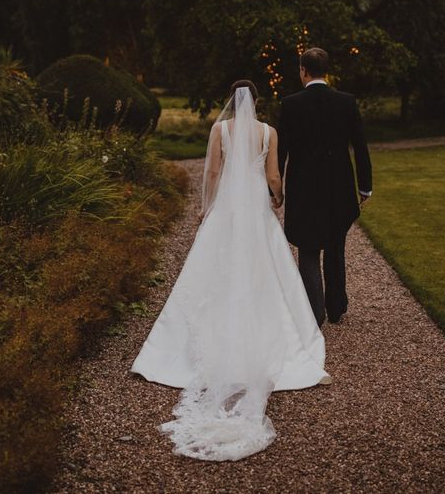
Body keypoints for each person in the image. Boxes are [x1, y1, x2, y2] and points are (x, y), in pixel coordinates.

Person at [131, 80, 330, 462]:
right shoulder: (268, 132)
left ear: (232, 102)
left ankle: (197, 342)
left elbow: (211, 174)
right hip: (256, 208)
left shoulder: (219, 129)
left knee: (214, 269)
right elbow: (273, 177)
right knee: (264, 270)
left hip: (227, 209)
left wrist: (207, 208)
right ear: (256, 102)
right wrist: (277, 198)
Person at [277, 47, 372, 326]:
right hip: (338, 187)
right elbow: (361, 147)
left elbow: (281, 150)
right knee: (335, 244)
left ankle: (314, 312)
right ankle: (336, 308)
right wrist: (364, 186)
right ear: (326, 71)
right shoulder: (347, 101)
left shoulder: (291, 104)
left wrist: (275, 189)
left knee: (308, 249)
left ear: (303, 70)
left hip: (304, 188)